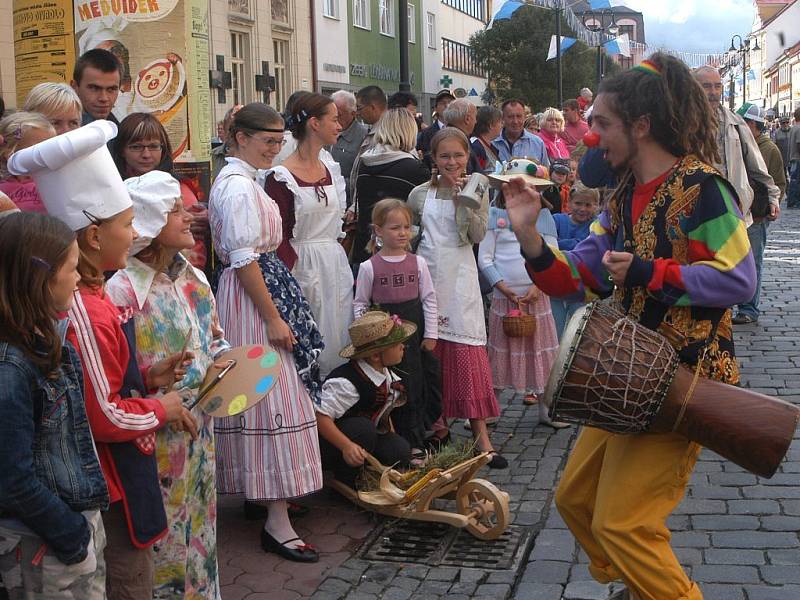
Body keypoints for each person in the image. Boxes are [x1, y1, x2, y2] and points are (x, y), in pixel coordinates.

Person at [503, 53, 756, 600]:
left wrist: (651, 272)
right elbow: (580, 276)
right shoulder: (620, 199)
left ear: (640, 126)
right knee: (576, 500)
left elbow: (739, 279)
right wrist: (528, 236)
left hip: (685, 382)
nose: (589, 137)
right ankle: (646, 589)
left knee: (623, 524)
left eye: (601, 123)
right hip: (627, 375)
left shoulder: (704, 190)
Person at [9, 121, 197, 599]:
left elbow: (100, 382)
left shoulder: (91, 293)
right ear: (94, 236)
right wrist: (163, 407)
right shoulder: (88, 306)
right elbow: (103, 412)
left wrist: (147, 376)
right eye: (128, 224)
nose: (136, 234)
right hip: (107, 485)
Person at [209, 103, 323, 563]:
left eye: (280, 141)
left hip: (257, 289)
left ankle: (268, 500)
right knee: (272, 394)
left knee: (268, 394)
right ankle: (277, 521)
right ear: (239, 137)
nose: (275, 149)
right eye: (267, 142)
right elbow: (244, 259)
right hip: (251, 297)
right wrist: (273, 317)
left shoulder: (245, 180)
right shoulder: (237, 187)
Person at [106, 171, 230, 598]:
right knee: (163, 542)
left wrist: (231, 371)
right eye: (174, 209)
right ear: (149, 224)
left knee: (201, 531)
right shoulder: (121, 291)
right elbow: (112, 378)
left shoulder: (194, 279)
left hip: (200, 435)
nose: (188, 216)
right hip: (152, 444)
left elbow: (214, 338)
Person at [0, 212, 108, 599]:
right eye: (73, 268)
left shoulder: (43, 340)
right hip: (42, 543)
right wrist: (68, 531)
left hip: (68, 532)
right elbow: (11, 478)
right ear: (40, 277)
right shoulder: (11, 365)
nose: (79, 278)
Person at [408, 128, 506, 468]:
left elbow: (475, 235)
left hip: (461, 277)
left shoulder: (477, 188)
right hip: (429, 278)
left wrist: (462, 201)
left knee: (467, 357)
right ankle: (438, 430)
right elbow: (412, 235)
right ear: (433, 158)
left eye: (458, 155)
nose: (451, 162)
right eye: (444, 156)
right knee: (433, 355)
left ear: (468, 157)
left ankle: (482, 439)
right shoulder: (419, 194)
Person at [267, 92, 354, 377]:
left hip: (332, 262)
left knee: (338, 330)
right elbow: (277, 238)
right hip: (301, 264)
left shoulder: (330, 167)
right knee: (311, 332)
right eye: (334, 119)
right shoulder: (280, 177)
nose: (339, 125)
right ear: (314, 124)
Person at [353, 198, 439, 454]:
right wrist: (366, 337)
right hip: (385, 335)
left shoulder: (418, 263)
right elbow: (361, 303)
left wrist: (431, 334)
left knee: (415, 384)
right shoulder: (369, 267)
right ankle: (393, 438)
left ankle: (416, 440)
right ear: (378, 230)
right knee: (392, 385)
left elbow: (429, 298)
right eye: (395, 228)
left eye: (406, 227)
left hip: (414, 334)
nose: (402, 233)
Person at [478, 192, 563, 423]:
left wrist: (539, 284)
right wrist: (501, 285)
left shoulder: (544, 216)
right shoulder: (495, 216)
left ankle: (547, 408)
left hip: (536, 296)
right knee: (498, 351)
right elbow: (485, 258)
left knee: (542, 350)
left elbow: (553, 253)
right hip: (505, 297)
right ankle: (490, 407)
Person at [316, 311, 415, 485]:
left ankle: (373, 473)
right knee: (364, 428)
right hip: (331, 444)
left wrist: (393, 440)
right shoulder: (346, 383)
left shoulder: (385, 374)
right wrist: (346, 446)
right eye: (396, 344)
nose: (403, 347)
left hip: (365, 439)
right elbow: (319, 416)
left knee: (400, 450)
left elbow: (383, 410)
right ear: (375, 356)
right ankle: (346, 479)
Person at [111, 112, 209, 271]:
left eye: (153, 146)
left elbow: (194, 253)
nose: (146, 155)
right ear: (122, 150)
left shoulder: (178, 189)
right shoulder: (112, 191)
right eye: (136, 147)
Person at [693, 66, 780, 226]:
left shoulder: (735, 122)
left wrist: (772, 197)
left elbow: (757, 167)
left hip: (734, 210)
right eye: (706, 86)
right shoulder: (683, 124)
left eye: (717, 86)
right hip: (697, 213)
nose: (713, 92)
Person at [351, 109, 431, 265]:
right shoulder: (414, 169)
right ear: (409, 131)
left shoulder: (364, 162)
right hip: (399, 254)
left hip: (365, 249)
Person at [732, 103, 786, 326]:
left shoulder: (769, 149)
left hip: (757, 215)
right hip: (737, 212)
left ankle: (749, 308)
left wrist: (773, 205)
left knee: (753, 262)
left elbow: (778, 182)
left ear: (751, 124)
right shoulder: (738, 144)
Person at [550, 183, 600, 338]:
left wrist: (562, 245)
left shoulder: (596, 224)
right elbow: (550, 246)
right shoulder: (557, 220)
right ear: (569, 203)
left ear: (596, 206)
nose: (583, 209)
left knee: (579, 333)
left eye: (588, 205)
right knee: (554, 332)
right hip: (556, 285)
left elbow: (592, 249)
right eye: (578, 203)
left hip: (583, 288)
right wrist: (578, 243)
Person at [0, 112, 55, 214]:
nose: (47, 156)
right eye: (39, 151)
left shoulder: (54, 181)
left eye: (51, 150)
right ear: (10, 155)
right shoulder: (3, 190)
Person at [331, 90, 369, 206]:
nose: (335, 118)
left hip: (347, 201)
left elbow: (362, 176)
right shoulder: (324, 131)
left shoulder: (364, 136)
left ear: (353, 114)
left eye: (339, 114)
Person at [71, 48, 122, 125]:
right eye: (94, 88)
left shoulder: (119, 130)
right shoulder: (58, 132)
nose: (103, 98)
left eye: (111, 89)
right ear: (74, 87)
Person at [494, 99, 549, 167]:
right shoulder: (492, 143)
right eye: (510, 117)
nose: (515, 121)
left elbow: (546, 172)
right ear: (502, 118)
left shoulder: (537, 143)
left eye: (519, 116)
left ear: (524, 117)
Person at [441, 99, 481, 174]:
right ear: (467, 119)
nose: (476, 122)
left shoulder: (442, 138)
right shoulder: (458, 142)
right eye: (475, 117)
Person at [417, 89, 454, 168]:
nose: (447, 106)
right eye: (443, 103)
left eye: (450, 103)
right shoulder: (426, 133)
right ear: (436, 108)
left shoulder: (460, 130)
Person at [211, 104, 243, 181]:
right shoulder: (212, 157)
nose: (237, 136)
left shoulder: (259, 159)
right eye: (231, 130)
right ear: (224, 130)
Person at [470, 105, 503, 175]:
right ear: (491, 125)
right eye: (500, 122)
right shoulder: (476, 147)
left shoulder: (489, 146)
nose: (502, 126)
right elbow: (477, 174)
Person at [787, 108, 800, 209]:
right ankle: (794, 201)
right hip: (797, 158)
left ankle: (792, 200)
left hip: (793, 157)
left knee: (794, 180)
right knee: (796, 181)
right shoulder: (799, 128)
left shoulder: (793, 128)